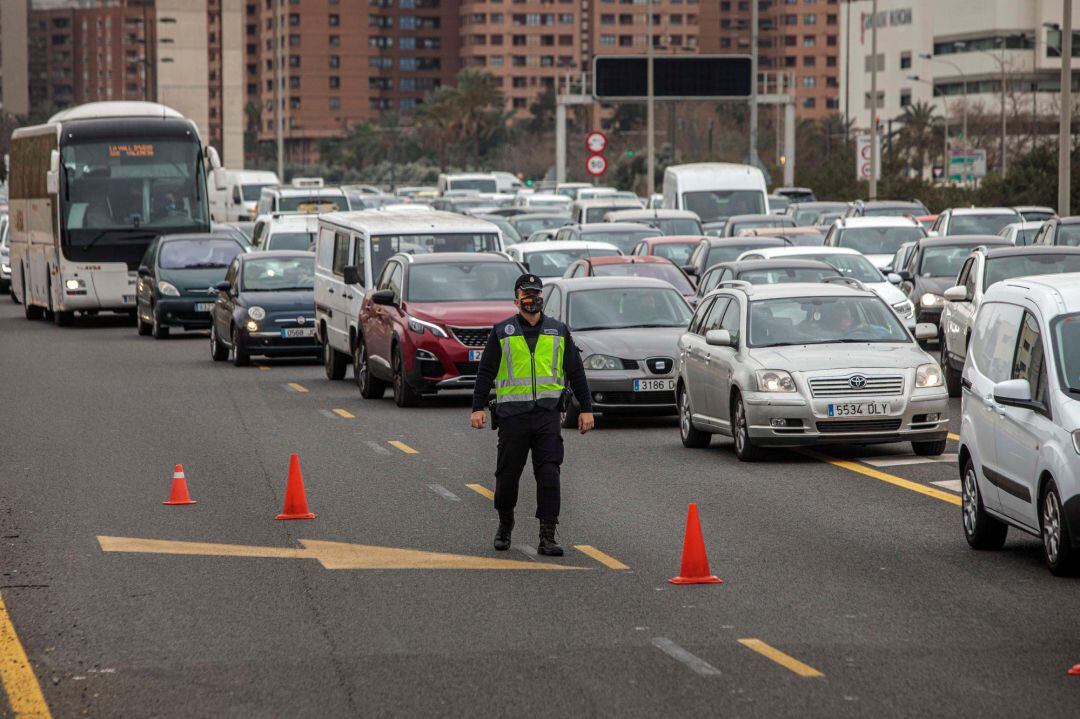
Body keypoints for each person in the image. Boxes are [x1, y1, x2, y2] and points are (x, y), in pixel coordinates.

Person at [470, 273, 594, 555]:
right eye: (526, 295)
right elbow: (486, 371)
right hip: (513, 417)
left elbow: (575, 371)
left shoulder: (558, 331)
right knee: (507, 477)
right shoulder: (502, 332)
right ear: (516, 300)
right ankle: (505, 524)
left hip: (548, 416)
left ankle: (547, 536)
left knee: (549, 474)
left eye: (536, 295)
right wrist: (478, 407)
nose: (532, 300)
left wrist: (586, 409)